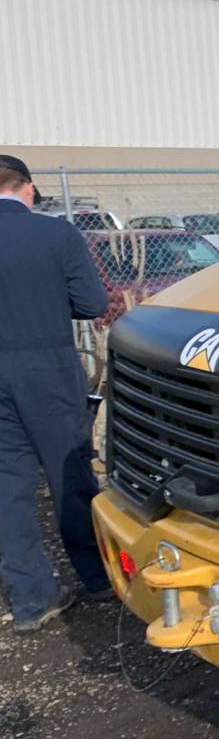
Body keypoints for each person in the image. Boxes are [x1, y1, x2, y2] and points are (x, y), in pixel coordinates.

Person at [0, 154, 112, 632]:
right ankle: (97, 577)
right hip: (47, 366)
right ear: (27, 187)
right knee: (69, 473)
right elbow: (91, 302)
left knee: (8, 486)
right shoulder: (55, 234)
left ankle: (31, 599)